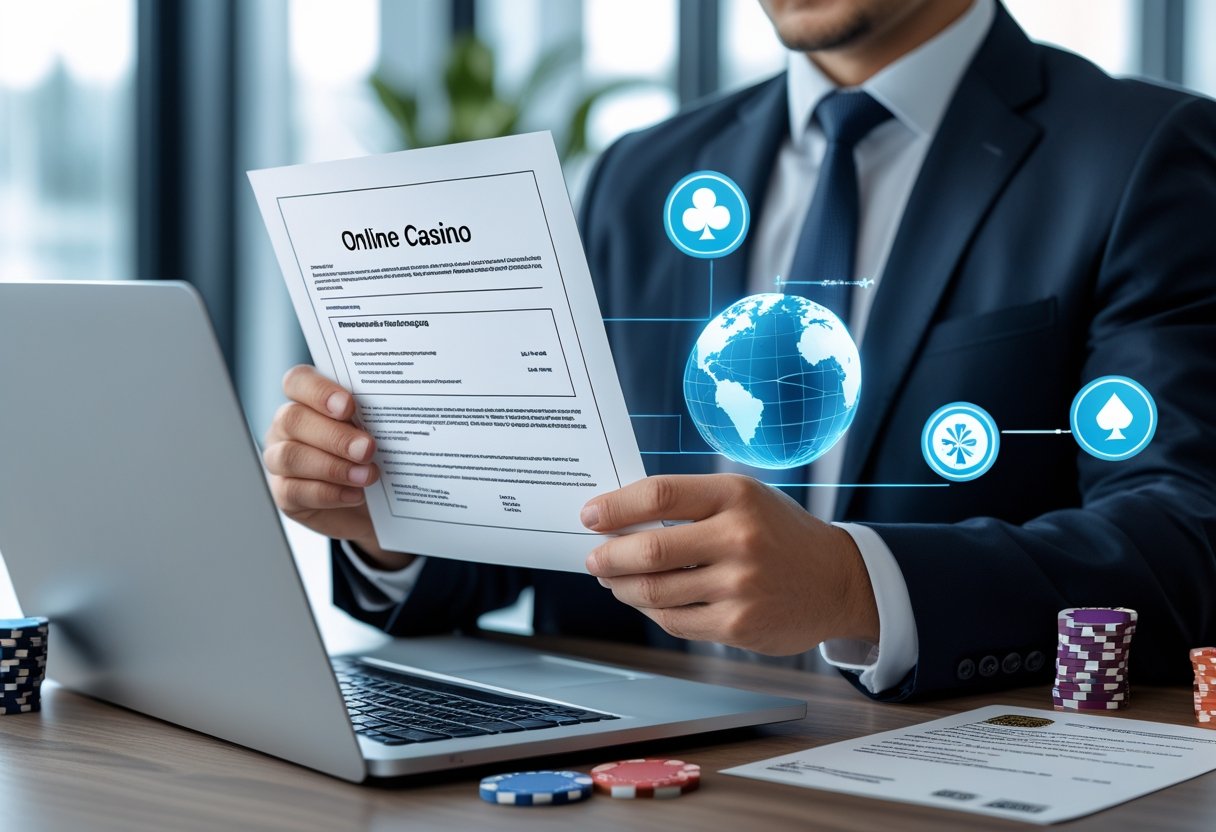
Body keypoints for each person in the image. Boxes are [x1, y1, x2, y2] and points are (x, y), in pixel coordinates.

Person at [263, 0, 1216, 701]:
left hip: (929, 769)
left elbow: (1185, 533)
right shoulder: (640, 176)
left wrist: (858, 585)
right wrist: (390, 519)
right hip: (631, 764)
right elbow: (557, 530)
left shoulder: (1141, 155)